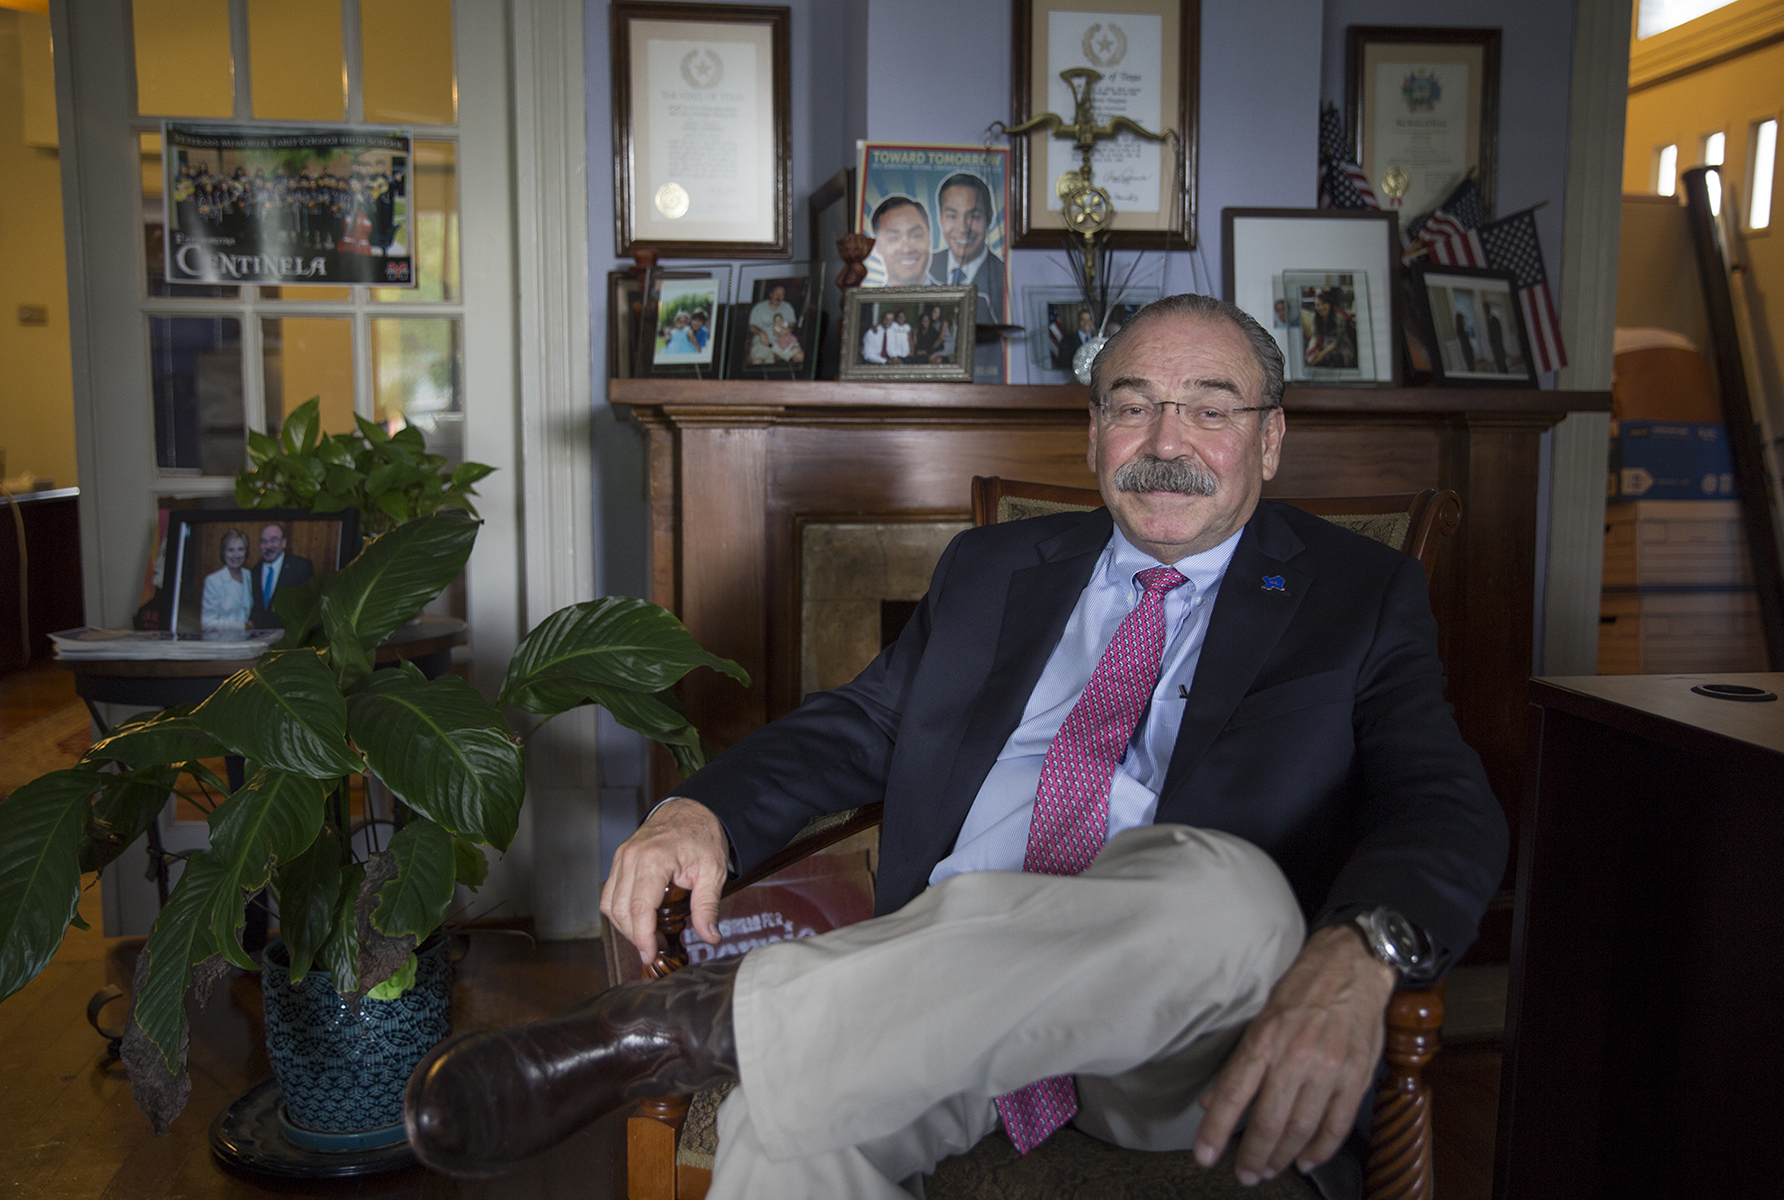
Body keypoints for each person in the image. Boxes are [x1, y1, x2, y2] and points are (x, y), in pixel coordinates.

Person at [406, 294, 1507, 1200]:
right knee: (786, 1136)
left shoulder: (1357, 597)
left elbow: (1442, 800)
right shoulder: (995, 569)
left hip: (1178, 1030)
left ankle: (702, 1022)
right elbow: (861, 724)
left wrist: (1367, 946)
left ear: (1269, 437)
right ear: (1092, 435)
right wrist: (702, 811)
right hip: (934, 993)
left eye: (1209, 411)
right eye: (1133, 408)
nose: (1167, 445)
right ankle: (750, 1032)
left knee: (1236, 895)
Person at [928, 173, 1006, 323]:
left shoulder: (1004, 277)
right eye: (952, 216)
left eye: (974, 217)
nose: (963, 228)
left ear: (989, 218)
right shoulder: (926, 266)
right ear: (940, 218)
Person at [247, 522, 315, 629]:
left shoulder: (301, 567)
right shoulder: (255, 571)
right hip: (262, 637)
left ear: (283, 543)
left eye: (273, 540)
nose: (268, 546)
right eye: (264, 541)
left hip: (290, 638)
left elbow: (309, 607)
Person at [869, 195, 934, 287]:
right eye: (894, 238)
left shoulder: (951, 300)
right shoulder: (866, 301)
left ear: (929, 238)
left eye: (916, 236)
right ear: (877, 246)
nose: (907, 249)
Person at [199, 528, 252, 631]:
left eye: (240, 549)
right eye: (231, 550)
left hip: (247, 642)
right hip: (222, 643)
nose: (236, 555)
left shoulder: (249, 576)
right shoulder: (213, 581)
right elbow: (207, 623)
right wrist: (242, 626)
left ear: (246, 552)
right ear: (223, 553)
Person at [1303, 288, 1357, 369]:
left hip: (1342, 350)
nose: (1321, 307)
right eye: (1318, 305)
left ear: (1329, 304)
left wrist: (1322, 354)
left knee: (1332, 360)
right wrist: (1311, 349)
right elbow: (1315, 335)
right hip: (1326, 350)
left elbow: (1336, 342)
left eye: (1324, 304)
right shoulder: (1316, 317)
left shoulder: (1338, 317)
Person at [747, 284, 798, 363]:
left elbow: (793, 324)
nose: (778, 297)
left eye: (782, 295)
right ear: (770, 294)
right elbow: (751, 326)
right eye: (776, 293)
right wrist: (761, 333)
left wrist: (789, 328)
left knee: (800, 356)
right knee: (757, 361)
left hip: (785, 342)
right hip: (763, 344)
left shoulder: (787, 307)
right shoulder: (759, 307)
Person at [1484, 305, 1509, 374]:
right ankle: (1501, 372)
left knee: (1501, 361)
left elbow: (1498, 333)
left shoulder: (1494, 320)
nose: (1485, 312)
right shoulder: (1488, 320)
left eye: (1486, 310)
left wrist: (1497, 345)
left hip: (1498, 345)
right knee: (1498, 362)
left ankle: (1505, 374)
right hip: (1495, 346)